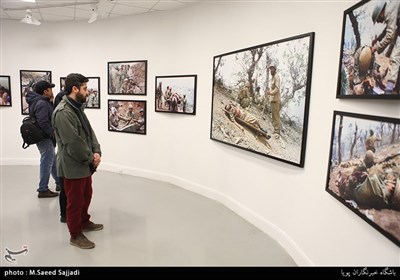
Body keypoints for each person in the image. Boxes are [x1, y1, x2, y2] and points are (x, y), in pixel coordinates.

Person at [52, 73, 103, 249]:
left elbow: (89, 132)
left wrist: (97, 150)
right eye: (85, 88)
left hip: (84, 162)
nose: (87, 92)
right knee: (74, 201)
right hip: (72, 165)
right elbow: (73, 143)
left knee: (86, 195)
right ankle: (75, 234)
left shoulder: (77, 108)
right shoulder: (63, 113)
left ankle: (84, 221)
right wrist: (91, 158)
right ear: (75, 89)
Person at [25, 81, 60, 198]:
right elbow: (43, 121)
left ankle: (59, 183)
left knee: (52, 160)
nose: (52, 91)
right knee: (47, 161)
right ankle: (42, 189)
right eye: (50, 89)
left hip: (42, 136)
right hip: (44, 137)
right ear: (45, 91)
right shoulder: (41, 103)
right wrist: (52, 133)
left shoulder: (39, 101)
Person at [371, 1, 400, 95]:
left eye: (378, 19)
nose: (380, 21)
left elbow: (390, 35)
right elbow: (389, 28)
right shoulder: (391, 8)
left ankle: (389, 89)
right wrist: (378, 39)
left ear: (381, 13)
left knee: (395, 56)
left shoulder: (389, 11)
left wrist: (376, 47)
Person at [54, 90, 67, 223]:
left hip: (63, 157)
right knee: (65, 189)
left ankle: (65, 214)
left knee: (65, 188)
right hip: (65, 159)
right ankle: (64, 215)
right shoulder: (61, 114)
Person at [265, 65, 281, 138]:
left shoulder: (276, 77)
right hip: (273, 99)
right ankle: (275, 129)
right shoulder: (273, 77)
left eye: (272, 69)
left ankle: (277, 131)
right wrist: (270, 92)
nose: (271, 71)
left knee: (276, 115)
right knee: (274, 115)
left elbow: (277, 89)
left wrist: (270, 93)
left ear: (275, 69)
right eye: (270, 69)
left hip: (276, 99)